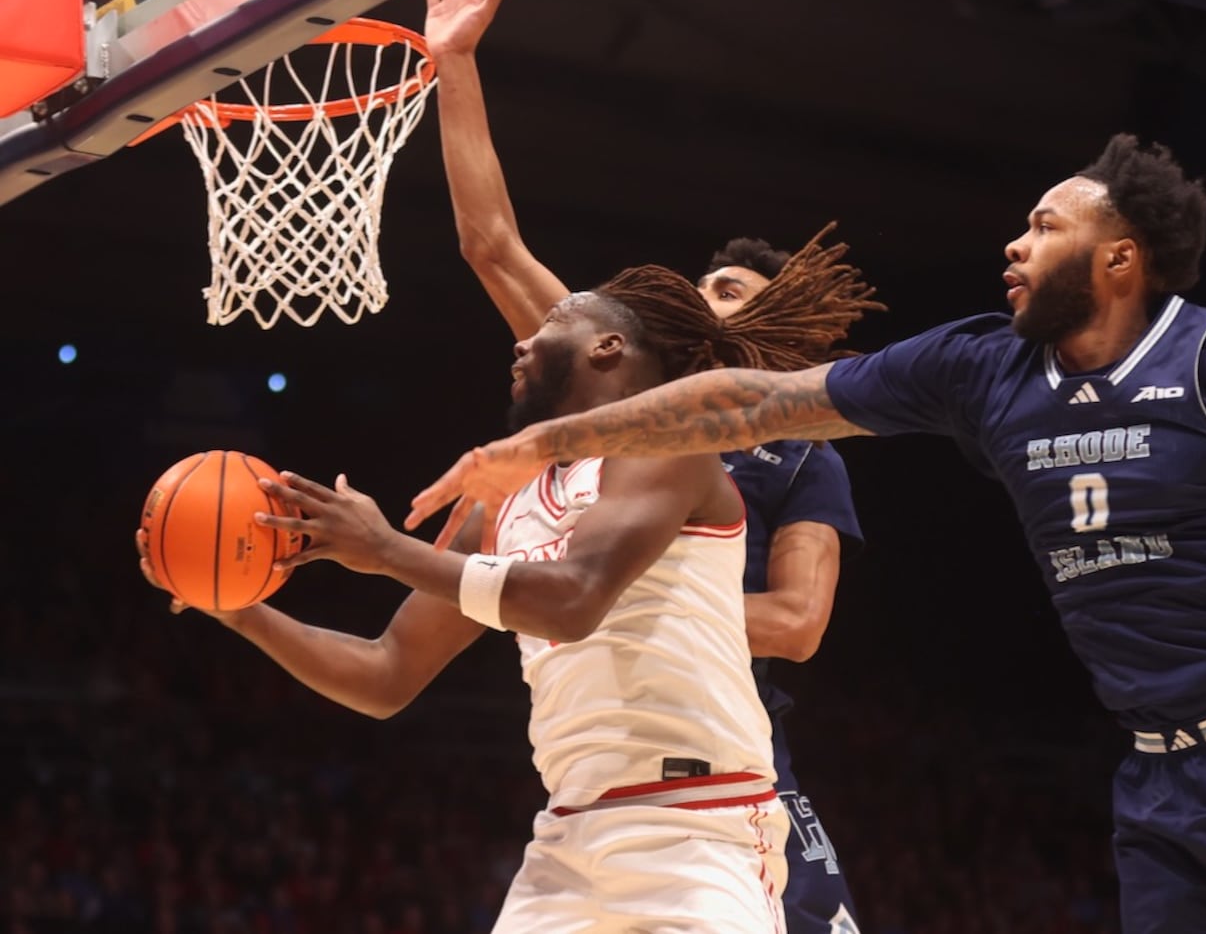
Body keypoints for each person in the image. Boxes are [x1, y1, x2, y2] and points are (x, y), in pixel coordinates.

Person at [411, 135, 1206, 933]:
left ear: (1117, 258)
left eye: (1043, 225)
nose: (1014, 244)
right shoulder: (982, 366)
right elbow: (754, 401)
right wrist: (545, 442)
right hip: (1157, 775)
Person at [137, 256, 881, 933]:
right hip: (568, 838)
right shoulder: (499, 507)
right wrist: (236, 608)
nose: (521, 344)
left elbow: (574, 599)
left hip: (700, 830)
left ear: (609, 349)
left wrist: (386, 550)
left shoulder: (669, 449)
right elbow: (387, 670)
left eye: (554, 325)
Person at [423, 0, 875, 931]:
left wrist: (651, 591)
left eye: (728, 293)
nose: (703, 296)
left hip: (732, 746)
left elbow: (798, 625)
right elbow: (490, 244)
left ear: (769, 339)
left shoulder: (803, 457)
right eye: (702, 287)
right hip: (610, 728)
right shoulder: (618, 379)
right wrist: (454, 70)